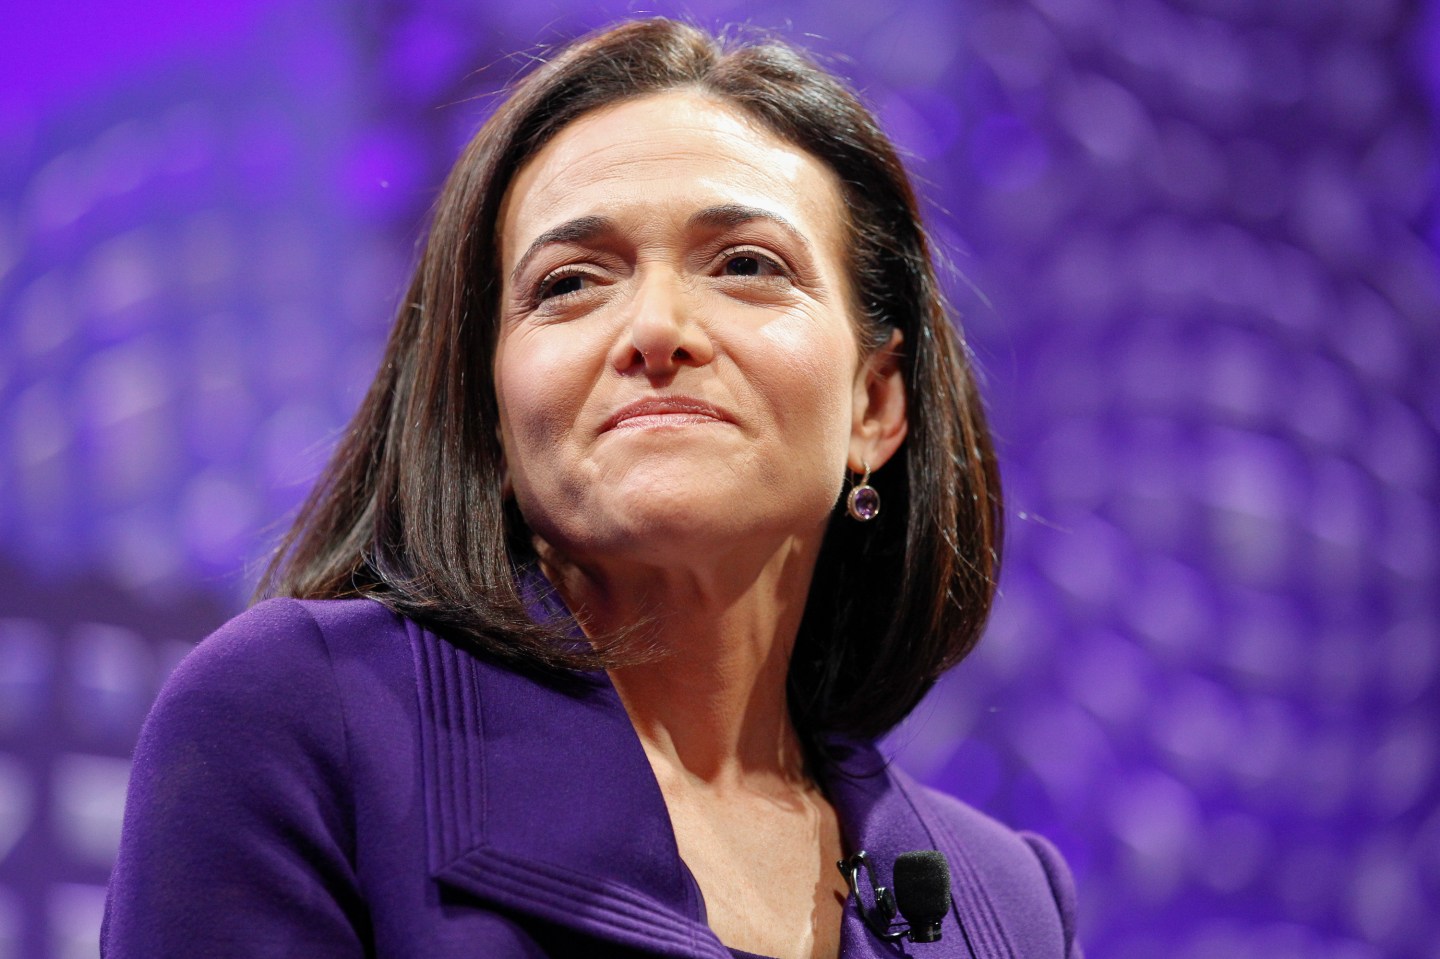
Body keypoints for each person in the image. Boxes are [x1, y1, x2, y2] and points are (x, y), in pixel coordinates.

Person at [102, 17, 1080, 959]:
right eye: (570, 282)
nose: (656, 328)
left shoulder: (1008, 904)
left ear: (874, 402)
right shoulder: (304, 722)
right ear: (491, 409)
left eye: (746, 264)